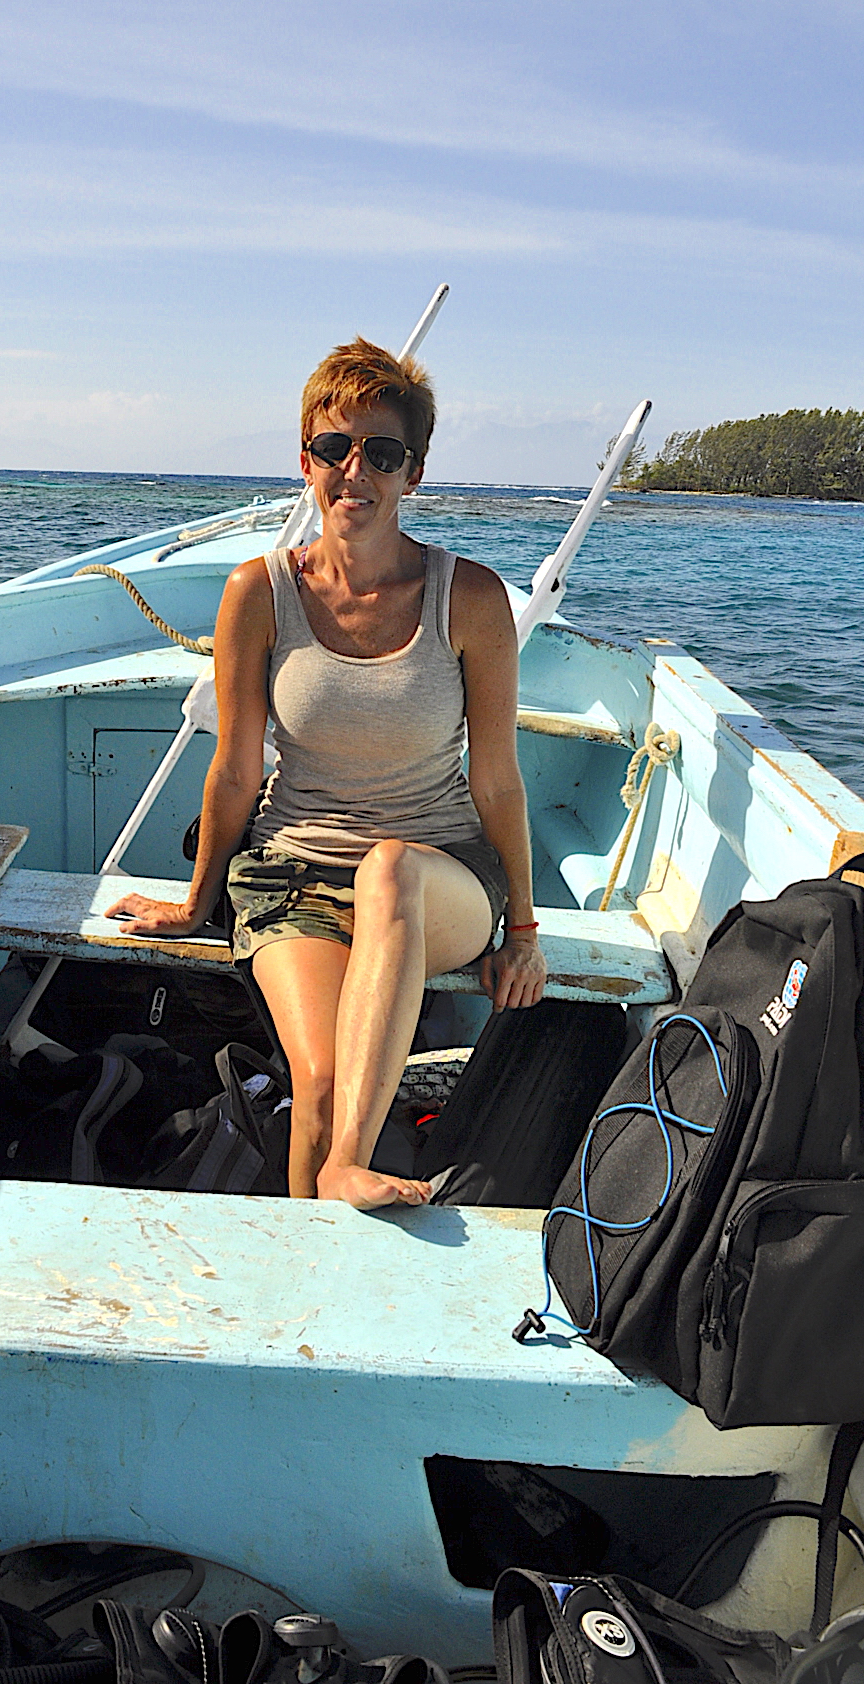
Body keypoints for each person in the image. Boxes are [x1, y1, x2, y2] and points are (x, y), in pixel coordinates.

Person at [109, 338, 547, 1208]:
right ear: (304, 461)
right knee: (316, 1085)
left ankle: (350, 1163)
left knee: (390, 870)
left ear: (413, 473)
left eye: (381, 453)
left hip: (439, 874)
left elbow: (496, 781)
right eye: (332, 449)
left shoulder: (470, 599)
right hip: (293, 872)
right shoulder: (257, 593)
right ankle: (307, 1303)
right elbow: (236, 769)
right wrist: (197, 903)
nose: (355, 471)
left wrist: (525, 931)